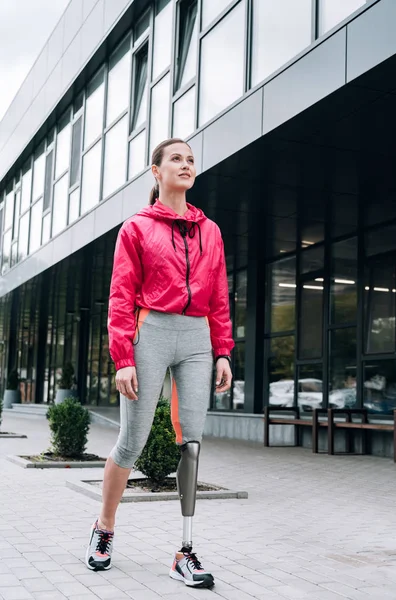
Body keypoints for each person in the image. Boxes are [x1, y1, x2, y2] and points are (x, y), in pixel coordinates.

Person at [85, 138, 234, 588]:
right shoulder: (136, 228)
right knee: (132, 440)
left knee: (192, 441)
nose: (186, 165)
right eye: (176, 159)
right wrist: (123, 357)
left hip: (196, 338)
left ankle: (184, 552)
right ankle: (104, 528)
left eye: (191, 160)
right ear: (156, 172)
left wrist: (223, 349)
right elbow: (120, 296)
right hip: (150, 330)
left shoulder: (211, 232)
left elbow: (220, 296)